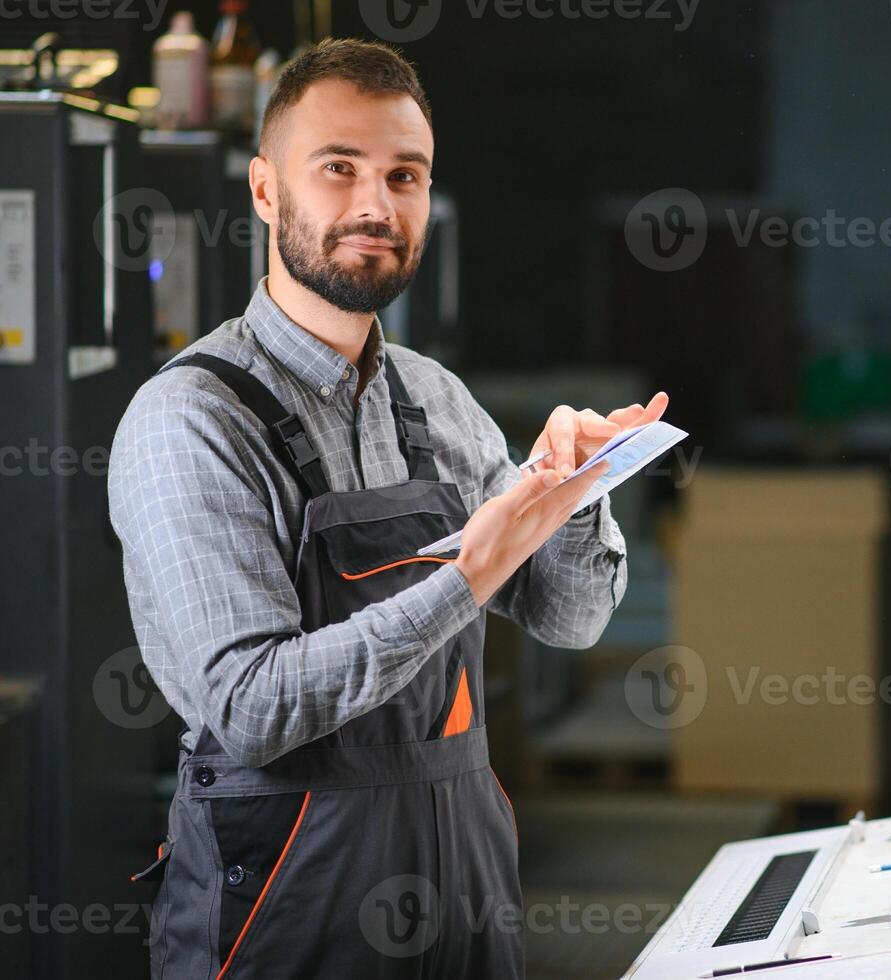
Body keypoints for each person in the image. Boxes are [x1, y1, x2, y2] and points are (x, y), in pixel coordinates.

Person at [107, 37, 665, 979]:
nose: (376, 204)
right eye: (339, 169)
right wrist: (466, 575)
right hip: (285, 908)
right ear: (264, 192)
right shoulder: (190, 419)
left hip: (464, 891)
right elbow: (251, 708)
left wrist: (575, 494)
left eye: (404, 175)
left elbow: (567, 619)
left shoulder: (436, 399)